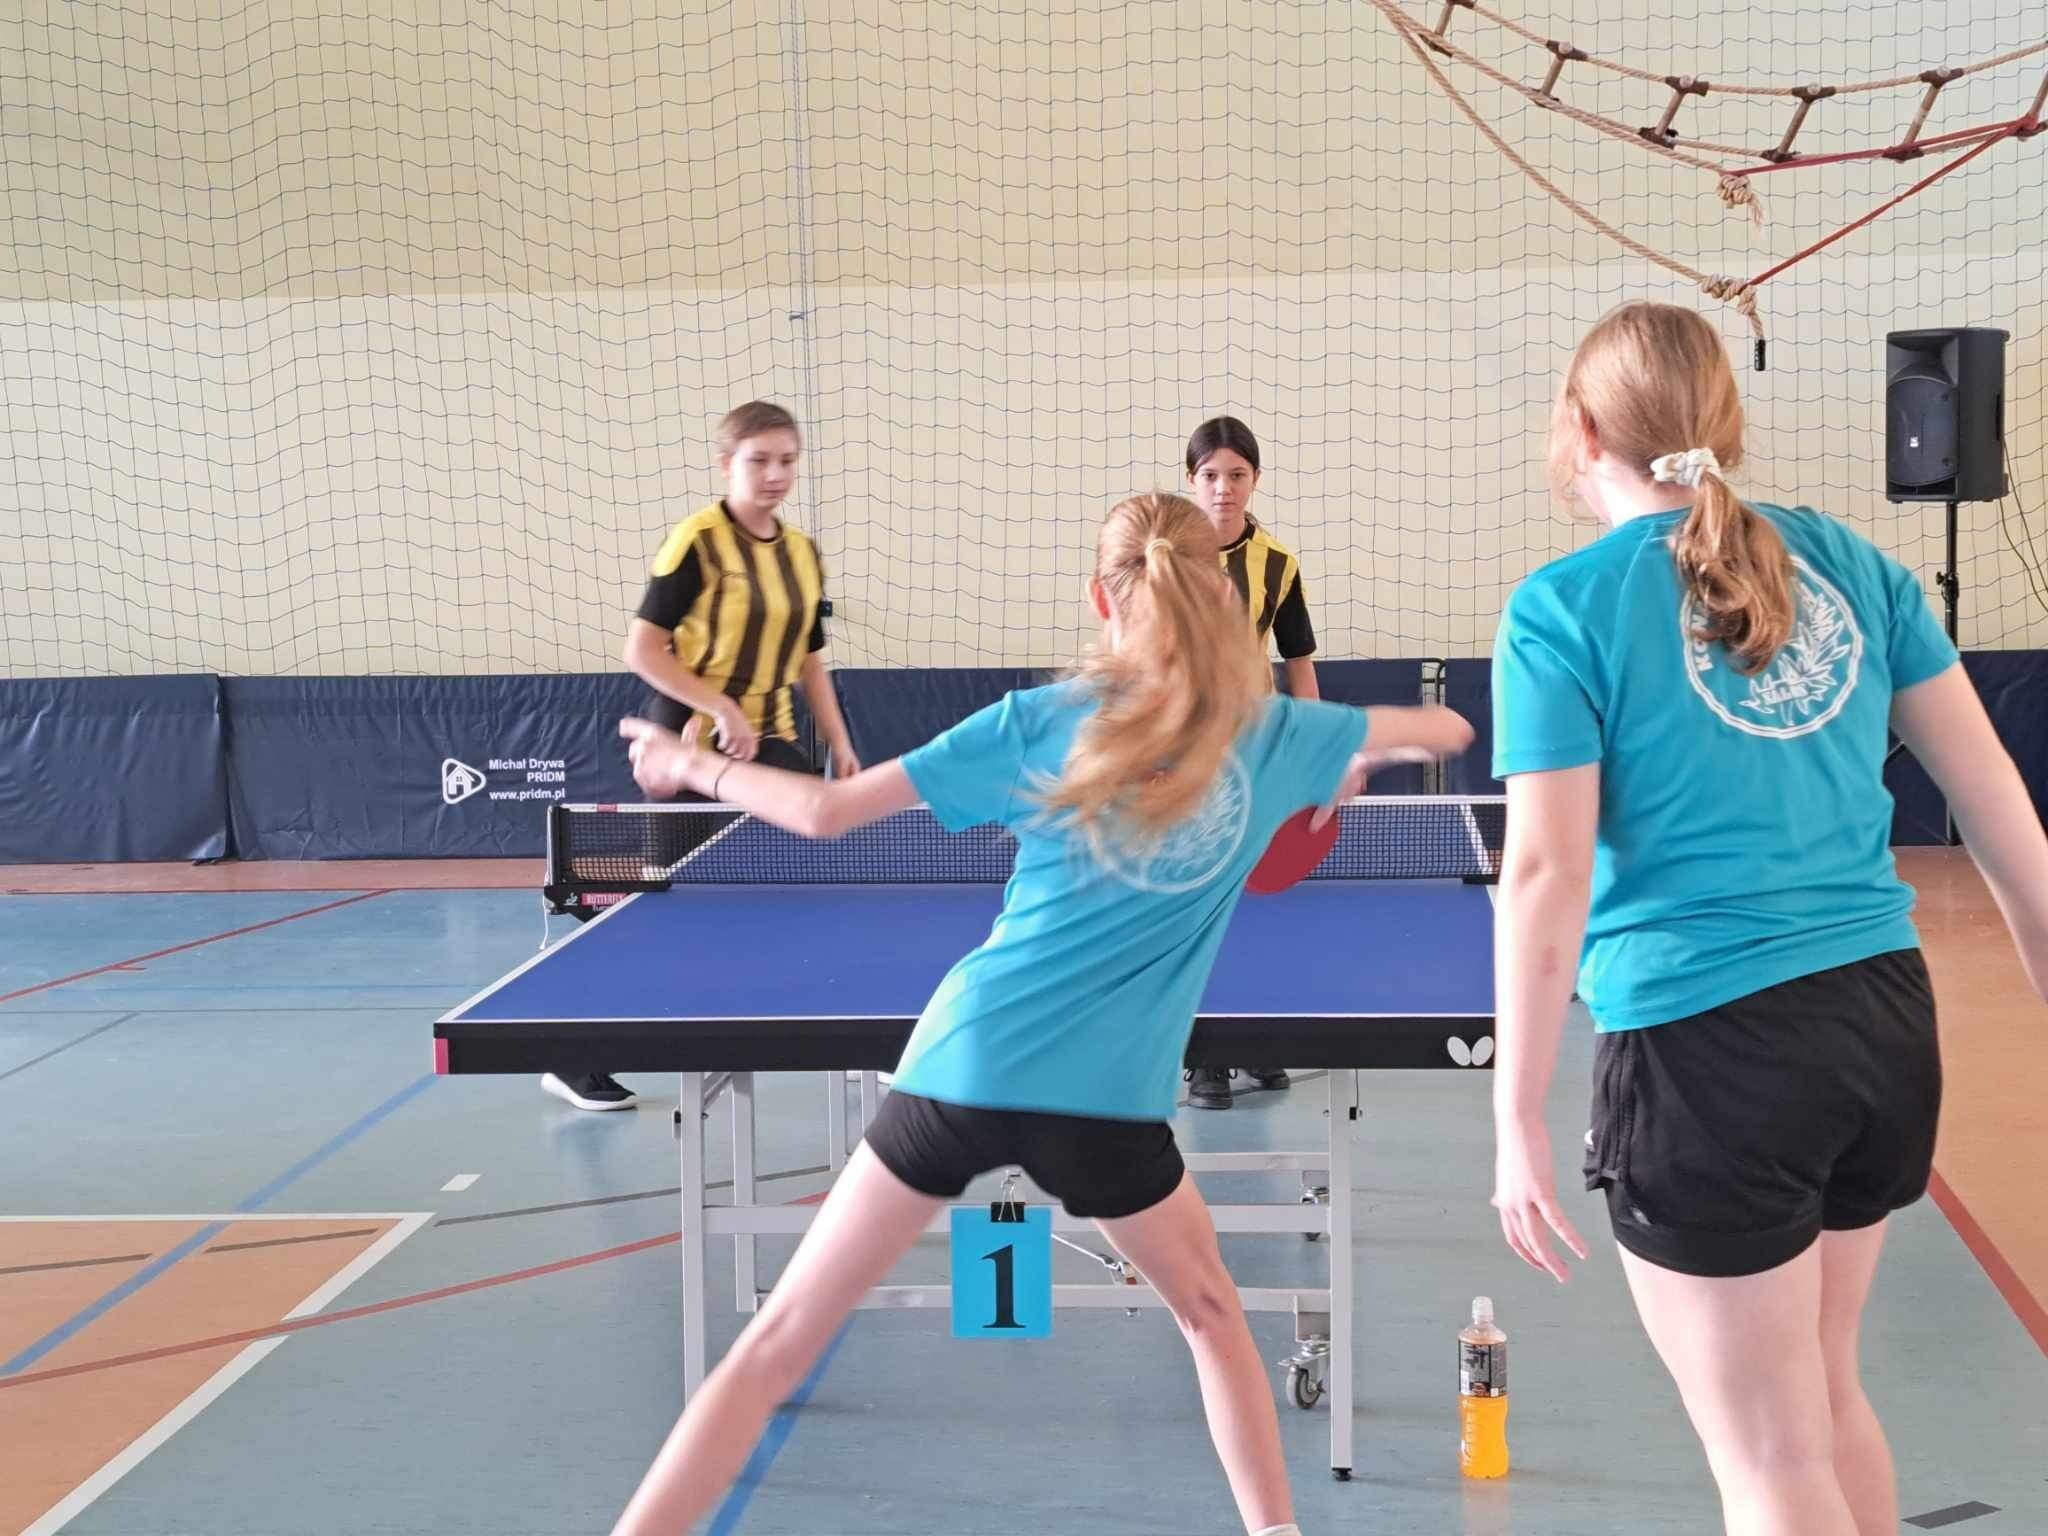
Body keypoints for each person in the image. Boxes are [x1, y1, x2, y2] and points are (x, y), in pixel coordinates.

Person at [608, 490, 1473, 1536]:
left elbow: (826, 812)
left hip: (963, 1066)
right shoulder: (1277, 734)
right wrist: (1348, 760)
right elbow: (1447, 726)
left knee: (776, 1342)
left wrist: (687, 764)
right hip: (1107, 1105)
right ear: (1221, 594)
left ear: (1101, 599)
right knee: (1210, 1315)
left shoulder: (1038, 722)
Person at [1487, 301, 2048, 1536]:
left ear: (1580, 431)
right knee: (1821, 1401)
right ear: (1721, 420)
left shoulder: (1559, 608)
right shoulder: (1855, 565)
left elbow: (1543, 875)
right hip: (1879, 1027)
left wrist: (1513, 1111)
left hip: (1706, 1051)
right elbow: (1997, 804)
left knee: (1765, 1457)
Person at [540, 400, 860, 1113]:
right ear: (726, 465)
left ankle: (858, 1042)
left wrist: (839, 741)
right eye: (758, 460)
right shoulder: (697, 543)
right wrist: (717, 708)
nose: (775, 474)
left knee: (814, 892)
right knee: (673, 914)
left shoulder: (804, 554)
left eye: (786, 460)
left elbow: (810, 658)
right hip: (688, 742)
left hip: (773, 742)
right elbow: (642, 649)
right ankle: (574, 1054)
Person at [1183, 415, 1322, 1109]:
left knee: (1251, 910)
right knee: (1196, 909)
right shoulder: (1164, 557)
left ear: (1255, 480)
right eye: (1210, 475)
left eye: (1236, 475)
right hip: (1183, 758)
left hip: (1254, 754)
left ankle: (1251, 1040)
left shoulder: (1279, 564)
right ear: (1191, 481)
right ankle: (1202, 1056)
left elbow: (1300, 664)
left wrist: (1315, 750)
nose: (1223, 488)